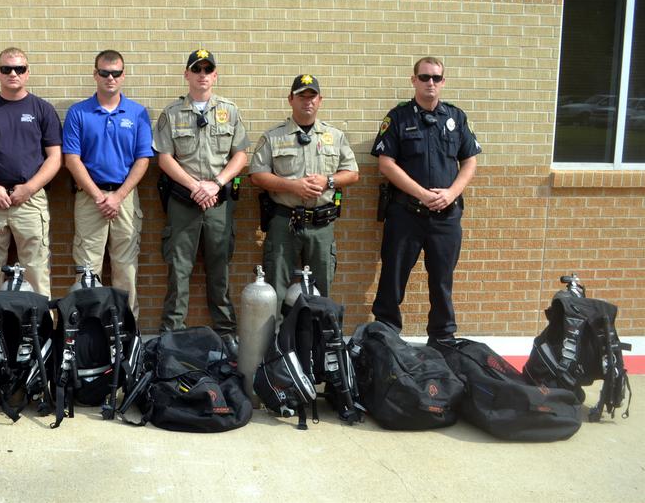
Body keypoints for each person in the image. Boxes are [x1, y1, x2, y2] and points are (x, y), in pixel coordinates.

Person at [370, 57, 481, 344]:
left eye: (435, 78)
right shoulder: (398, 118)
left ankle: (443, 339)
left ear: (443, 81)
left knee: (442, 282)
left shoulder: (457, 118)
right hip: (406, 214)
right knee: (393, 279)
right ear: (414, 80)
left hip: (446, 217)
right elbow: (386, 163)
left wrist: (451, 193)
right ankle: (386, 337)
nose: (430, 83)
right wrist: (421, 193)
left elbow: (469, 161)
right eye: (424, 77)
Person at [153, 49, 250, 353]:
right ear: (187, 75)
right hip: (184, 202)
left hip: (218, 202)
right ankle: (172, 336)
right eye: (197, 70)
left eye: (208, 70)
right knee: (178, 272)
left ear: (215, 76)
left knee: (219, 270)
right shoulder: (172, 113)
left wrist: (216, 184)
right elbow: (164, 157)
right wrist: (195, 185)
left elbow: (241, 155)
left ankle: (226, 334)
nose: (203, 75)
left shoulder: (230, 111)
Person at [250, 74, 359, 306]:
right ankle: (275, 340)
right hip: (283, 221)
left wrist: (328, 181)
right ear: (291, 99)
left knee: (322, 288)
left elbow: (352, 173)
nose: (307, 101)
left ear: (320, 100)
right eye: (301, 96)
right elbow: (257, 175)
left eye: (312, 96)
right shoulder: (273, 137)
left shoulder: (335, 136)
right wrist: (293, 186)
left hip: (322, 224)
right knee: (276, 287)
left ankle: (318, 340)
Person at [0, 47, 62, 299]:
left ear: (28, 73)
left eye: (19, 68)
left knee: (36, 269)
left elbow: (55, 157)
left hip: (31, 200)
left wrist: (29, 188)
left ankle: (43, 333)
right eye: (7, 69)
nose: (13, 73)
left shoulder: (42, 110)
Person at [62, 50, 153, 316]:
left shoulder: (137, 113)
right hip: (91, 199)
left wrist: (118, 196)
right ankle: (88, 332)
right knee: (87, 269)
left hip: (124, 199)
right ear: (95, 75)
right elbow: (72, 159)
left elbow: (143, 159)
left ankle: (127, 331)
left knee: (126, 267)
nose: (110, 78)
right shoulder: (79, 112)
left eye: (115, 73)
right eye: (104, 73)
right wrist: (99, 196)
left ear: (123, 76)